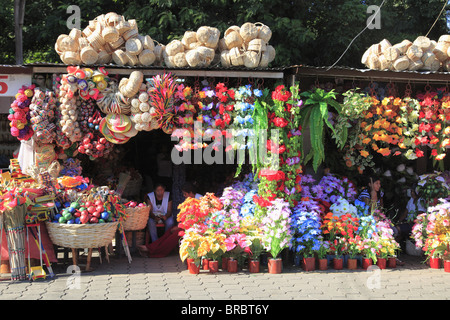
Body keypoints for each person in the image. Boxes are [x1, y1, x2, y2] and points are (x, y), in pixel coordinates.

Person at [137, 185, 201, 258]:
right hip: (188, 225)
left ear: (191, 193)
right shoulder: (191, 199)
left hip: (195, 227)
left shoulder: (198, 200)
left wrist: (180, 226)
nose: (184, 196)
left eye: (185, 194)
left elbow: (195, 219)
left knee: (175, 234)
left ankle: (152, 250)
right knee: (170, 231)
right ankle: (151, 247)